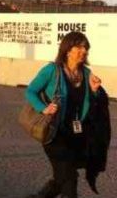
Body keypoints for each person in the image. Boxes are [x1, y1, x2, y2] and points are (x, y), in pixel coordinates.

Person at [25, 31, 110, 198]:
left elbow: (93, 104)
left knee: (61, 178)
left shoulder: (86, 74)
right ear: (67, 49)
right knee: (69, 178)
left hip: (76, 135)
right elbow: (31, 91)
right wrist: (43, 108)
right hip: (54, 133)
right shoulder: (52, 70)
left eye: (86, 47)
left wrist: (94, 91)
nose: (83, 50)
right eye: (79, 46)